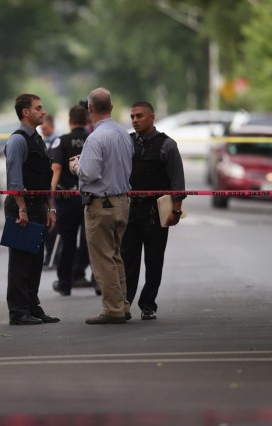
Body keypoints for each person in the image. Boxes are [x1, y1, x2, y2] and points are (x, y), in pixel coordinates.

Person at [122, 101, 185, 320]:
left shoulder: (167, 145)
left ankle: (148, 304)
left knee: (154, 260)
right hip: (130, 211)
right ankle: (125, 303)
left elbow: (177, 180)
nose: (135, 120)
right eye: (132, 117)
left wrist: (175, 211)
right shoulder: (127, 142)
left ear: (151, 118)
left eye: (139, 116)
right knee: (127, 260)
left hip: (156, 211)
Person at [76, 87, 133, 325]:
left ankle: (113, 309)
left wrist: (75, 166)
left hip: (102, 205)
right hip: (121, 201)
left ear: (90, 109)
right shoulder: (123, 133)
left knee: (103, 259)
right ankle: (123, 304)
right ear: (110, 106)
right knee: (115, 255)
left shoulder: (96, 137)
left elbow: (89, 173)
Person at [3, 93, 59, 326]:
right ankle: (18, 311)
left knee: (35, 261)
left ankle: (32, 307)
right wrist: (22, 210)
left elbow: (44, 177)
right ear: (25, 112)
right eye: (38, 108)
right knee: (21, 263)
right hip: (22, 209)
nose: (43, 111)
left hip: (38, 207)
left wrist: (50, 209)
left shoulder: (36, 138)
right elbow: (14, 180)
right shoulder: (17, 141)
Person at [49, 104, 97, 296]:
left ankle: (64, 282)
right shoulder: (93, 140)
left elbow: (56, 169)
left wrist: (49, 197)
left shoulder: (61, 141)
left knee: (67, 241)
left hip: (67, 198)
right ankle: (98, 281)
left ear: (69, 121)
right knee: (92, 241)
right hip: (90, 197)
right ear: (87, 121)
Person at [38, 114, 59, 268]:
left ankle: (54, 256)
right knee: (47, 226)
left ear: (52, 126)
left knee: (54, 227)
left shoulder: (58, 142)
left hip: (55, 191)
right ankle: (49, 255)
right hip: (47, 190)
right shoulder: (43, 142)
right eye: (42, 128)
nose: (43, 131)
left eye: (45, 128)